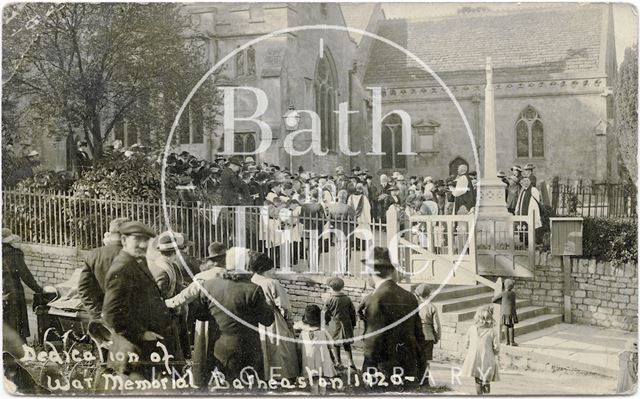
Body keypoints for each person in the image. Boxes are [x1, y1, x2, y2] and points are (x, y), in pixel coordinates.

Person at [102, 221, 180, 379]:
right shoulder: (122, 268)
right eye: (137, 239)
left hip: (145, 349)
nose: (143, 244)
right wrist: (141, 333)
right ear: (124, 240)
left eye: (146, 240)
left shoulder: (137, 262)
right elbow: (111, 314)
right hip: (132, 350)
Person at [196, 247, 274, 380]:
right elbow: (267, 319)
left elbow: (200, 315)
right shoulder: (253, 289)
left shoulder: (208, 286)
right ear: (246, 265)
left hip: (218, 347)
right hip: (248, 349)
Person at [360, 247, 425, 384]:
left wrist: (367, 372)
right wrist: (422, 368)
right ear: (391, 271)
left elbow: (373, 341)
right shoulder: (410, 297)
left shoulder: (375, 299)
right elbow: (419, 335)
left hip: (383, 370)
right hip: (408, 368)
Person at [249, 251, 300, 380]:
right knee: (279, 349)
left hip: (255, 319)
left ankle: (263, 376)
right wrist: (289, 322)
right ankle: (282, 376)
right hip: (272, 319)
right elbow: (284, 306)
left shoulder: (250, 280)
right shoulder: (272, 283)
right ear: (266, 267)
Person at [78, 218, 129, 317]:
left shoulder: (93, 255)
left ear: (110, 233)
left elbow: (83, 289)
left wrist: (97, 313)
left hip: (102, 320)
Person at [2, 228, 43, 340]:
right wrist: (39, 289)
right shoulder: (14, 253)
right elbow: (25, 275)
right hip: (13, 291)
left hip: (3, 290)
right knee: (16, 322)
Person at [296, 304, 336, 395]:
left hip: (310, 362)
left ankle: (315, 395)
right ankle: (322, 395)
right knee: (322, 381)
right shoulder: (323, 332)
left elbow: (299, 348)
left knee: (314, 382)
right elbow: (331, 344)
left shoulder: (303, 333)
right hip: (322, 362)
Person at [461, 305, 500, 395]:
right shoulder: (492, 331)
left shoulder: (471, 329)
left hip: (475, 358)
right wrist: (496, 353)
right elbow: (496, 347)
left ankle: (479, 394)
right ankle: (486, 387)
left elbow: (466, 343)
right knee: (486, 377)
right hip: (488, 358)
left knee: (477, 379)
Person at [323, 277, 357, 372]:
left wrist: (325, 322)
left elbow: (325, 313)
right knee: (347, 344)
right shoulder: (347, 299)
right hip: (346, 324)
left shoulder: (329, 300)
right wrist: (353, 324)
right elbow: (352, 312)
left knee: (335, 344)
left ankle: (338, 362)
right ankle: (350, 362)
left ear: (331, 288)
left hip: (334, 325)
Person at [414, 284, 440, 385]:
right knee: (426, 360)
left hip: (416, 335)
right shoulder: (432, 307)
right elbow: (437, 325)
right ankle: (424, 381)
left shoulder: (415, 306)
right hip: (428, 336)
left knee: (417, 358)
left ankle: (416, 380)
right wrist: (437, 337)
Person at [492, 279, 519, 346]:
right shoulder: (513, 293)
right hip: (512, 312)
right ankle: (512, 341)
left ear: (505, 285)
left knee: (506, 326)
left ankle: (507, 341)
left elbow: (494, 300)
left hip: (505, 312)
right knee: (511, 326)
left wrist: (502, 302)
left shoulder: (503, 293)